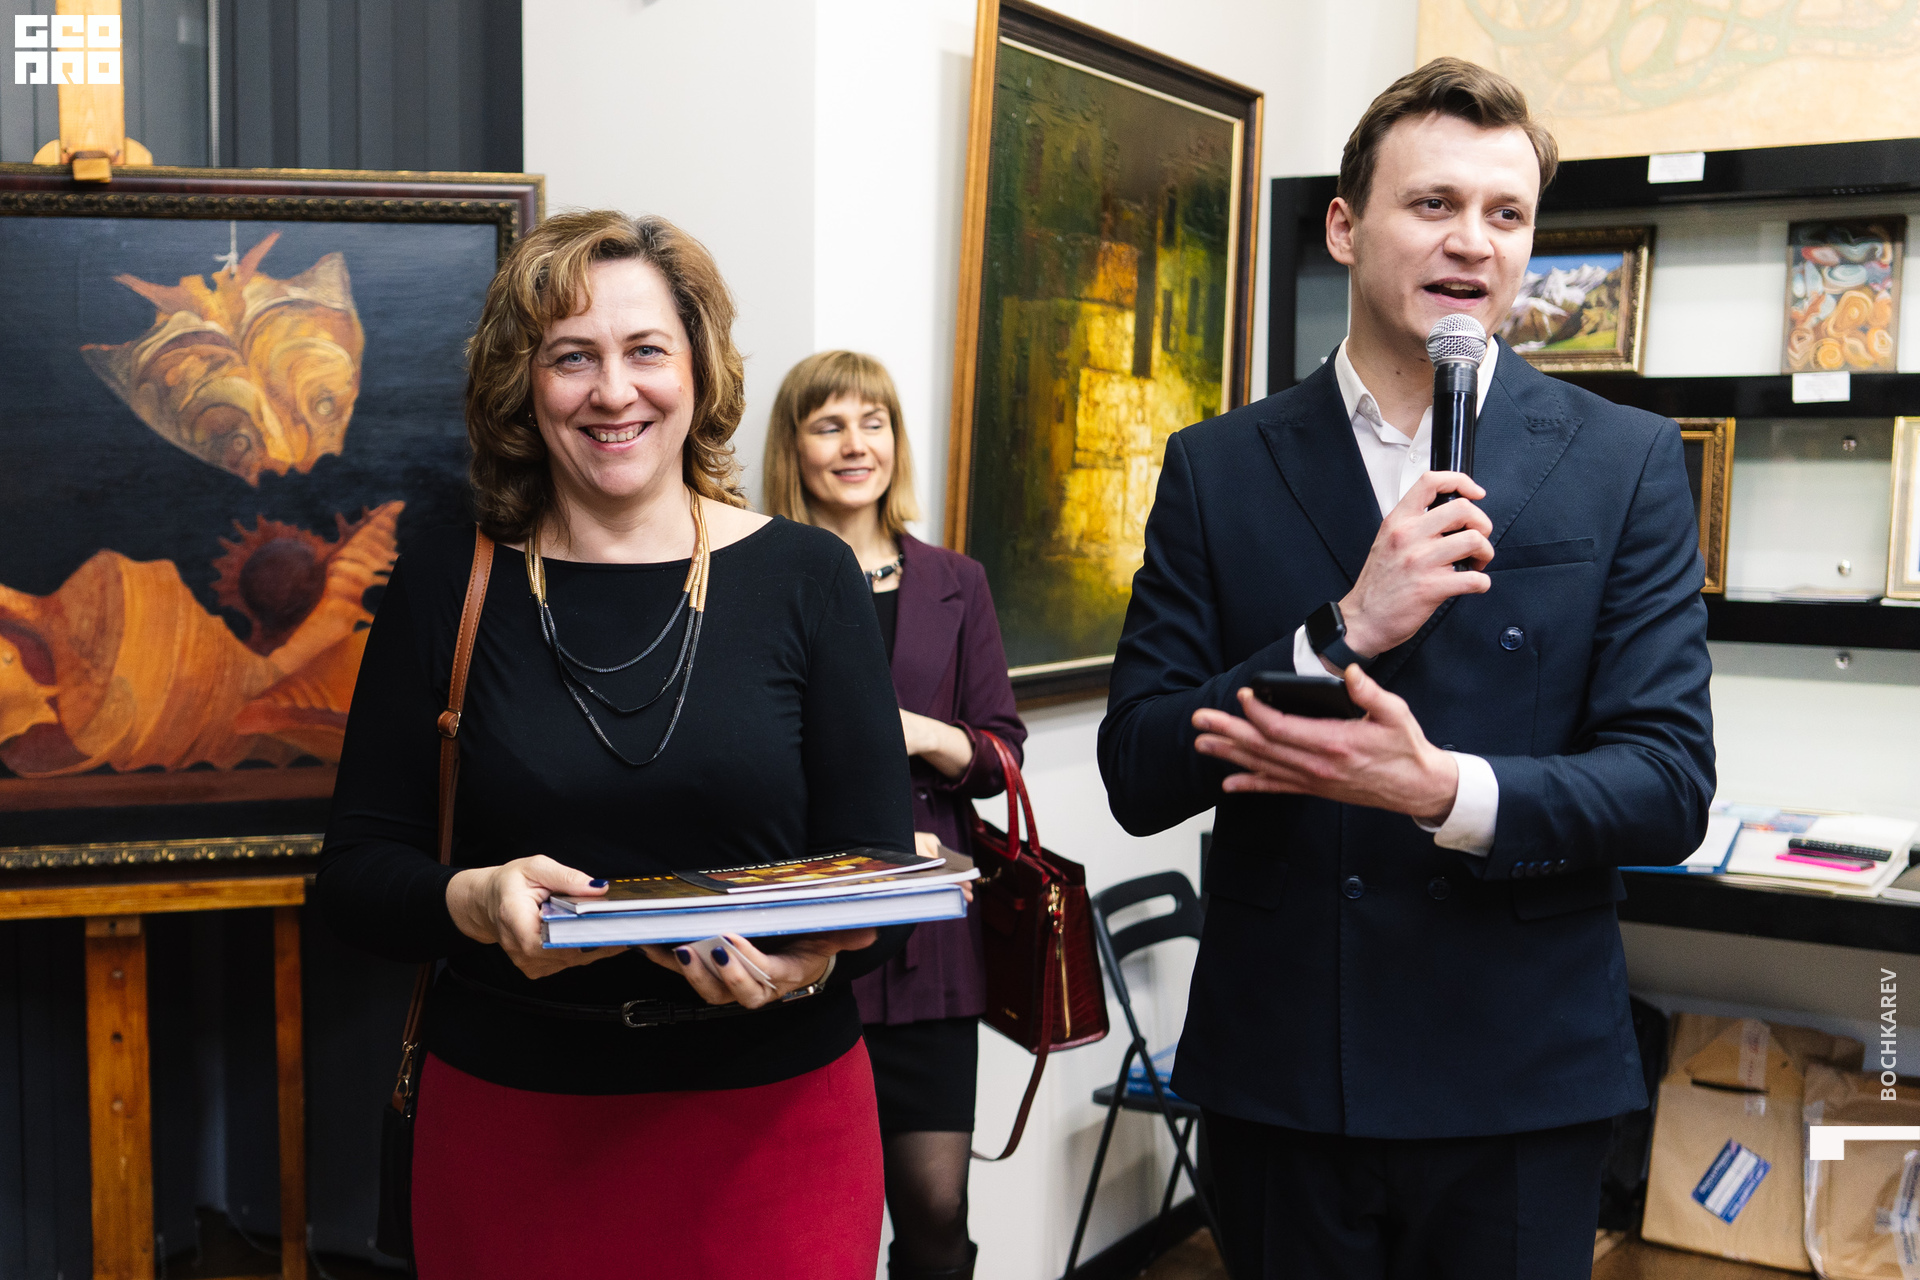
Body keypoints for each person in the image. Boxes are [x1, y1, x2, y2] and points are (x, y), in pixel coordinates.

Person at [1097, 58, 1714, 1279]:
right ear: (1344, 226)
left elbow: (1668, 781)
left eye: (1506, 212)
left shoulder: (1625, 461)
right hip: (1286, 1069)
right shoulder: (1219, 466)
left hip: (1518, 1073)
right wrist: (1338, 630)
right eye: (1433, 203)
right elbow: (1138, 766)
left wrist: (1443, 791)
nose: (1473, 242)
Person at [315, 212, 914, 1279]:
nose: (613, 390)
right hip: (512, 1128)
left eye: (646, 350)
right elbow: (355, 879)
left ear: (700, 369)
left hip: (775, 1127)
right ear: (523, 382)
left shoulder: (810, 579)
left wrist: (805, 964)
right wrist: (477, 900)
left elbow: (878, 876)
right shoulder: (446, 582)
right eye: (571, 357)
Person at [761, 351, 1025, 1280]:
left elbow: (999, 757)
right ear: (793, 446)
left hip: (931, 943)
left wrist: (914, 733)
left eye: (872, 423)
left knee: (935, 1209)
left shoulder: (957, 580)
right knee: (805, 1214)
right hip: (802, 929)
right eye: (828, 424)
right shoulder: (756, 578)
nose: (854, 444)